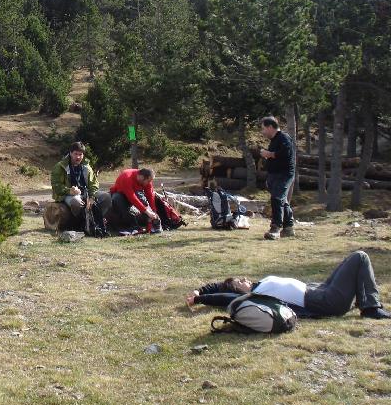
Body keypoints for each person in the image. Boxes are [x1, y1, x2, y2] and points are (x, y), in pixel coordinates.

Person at [185, 250, 391, 319]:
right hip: (324, 301)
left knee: (350, 261)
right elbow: (222, 296)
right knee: (360, 257)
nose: (245, 279)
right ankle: (370, 308)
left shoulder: (259, 285)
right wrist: (199, 298)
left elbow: (217, 286)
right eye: (241, 281)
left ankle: (363, 300)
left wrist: (199, 289)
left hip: (320, 290)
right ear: (238, 290)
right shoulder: (251, 297)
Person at [50, 142, 111, 231]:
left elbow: (93, 183)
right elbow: (56, 186)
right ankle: (81, 224)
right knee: (76, 201)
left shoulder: (86, 166)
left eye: (80, 154)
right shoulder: (60, 167)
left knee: (106, 197)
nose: (78, 157)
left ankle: (98, 220)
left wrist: (92, 196)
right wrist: (69, 191)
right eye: (75, 154)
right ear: (70, 153)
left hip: (85, 193)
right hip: (67, 195)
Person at [259, 116, 295, 240]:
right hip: (275, 175)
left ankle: (275, 228)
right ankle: (289, 227)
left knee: (277, 198)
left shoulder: (284, 138)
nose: (262, 132)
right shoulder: (274, 140)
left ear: (270, 127)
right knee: (282, 200)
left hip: (284, 174)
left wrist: (268, 154)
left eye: (263, 129)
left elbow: (286, 154)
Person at [108, 167, 163, 233]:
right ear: (142, 177)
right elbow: (132, 197)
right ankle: (132, 225)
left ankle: (151, 224)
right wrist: (147, 212)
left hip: (134, 194)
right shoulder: (126, 177)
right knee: (117, 198)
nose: (149, 183)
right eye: (148, 181)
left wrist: (154, 211)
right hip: (121, 195)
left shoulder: (147, 180)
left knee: (141, 197)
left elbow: (150, 196)